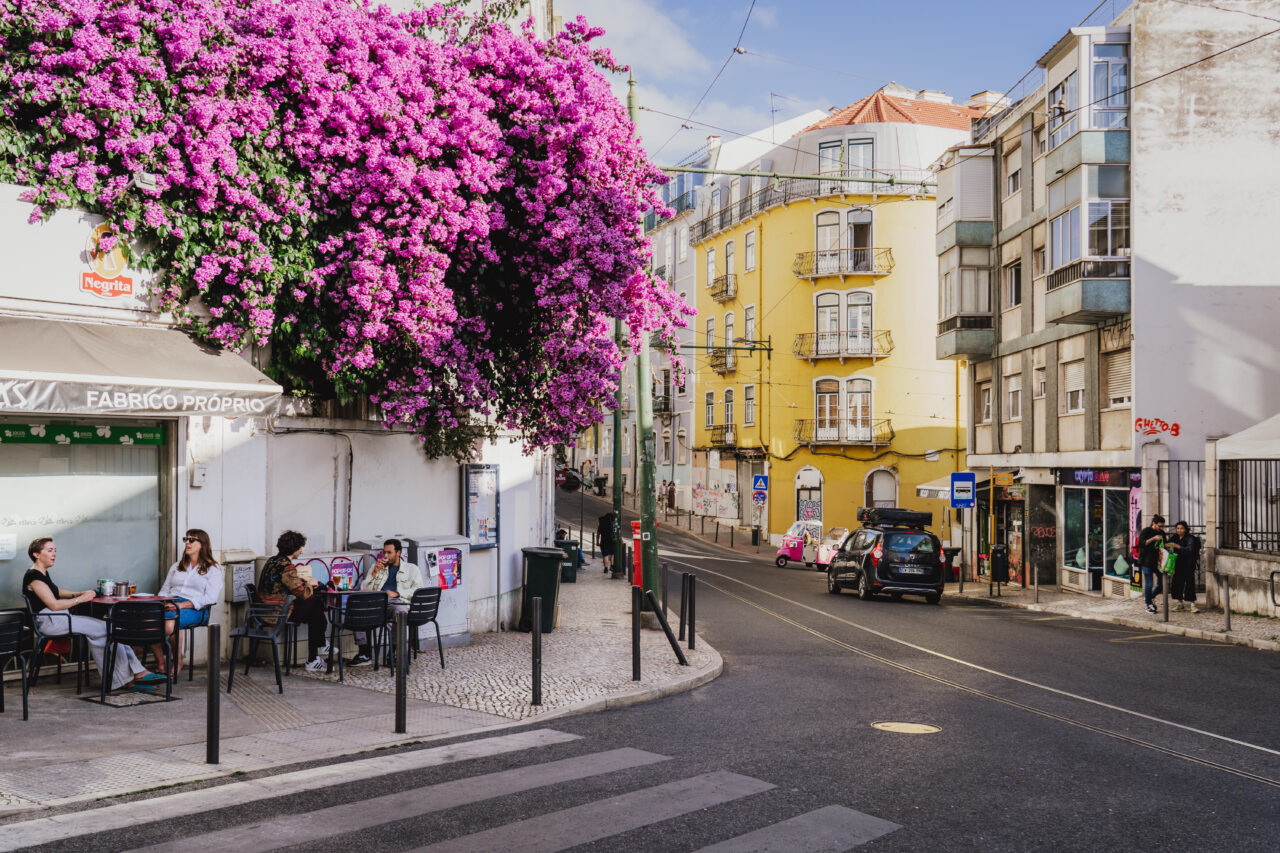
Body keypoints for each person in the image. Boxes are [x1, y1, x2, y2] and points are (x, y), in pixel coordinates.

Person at [22, 537, 163, 692]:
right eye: (50, 551)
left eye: (55, 550)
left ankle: (127, 677)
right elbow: (54, 604)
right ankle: (131, 675)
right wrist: (80, 599)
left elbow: (56, 591)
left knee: (108, 630)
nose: (54, 554)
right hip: (52, 621)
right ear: (36, 554)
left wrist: (77, 593)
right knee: (109, 629)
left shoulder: (42, 574)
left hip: (58, 618)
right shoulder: (34, 577)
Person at [257, 530, 332, 671]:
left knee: (315, 614)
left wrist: (300, 580)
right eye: (300, 547)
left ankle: (315, 657)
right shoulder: (287, 566)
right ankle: (319, 648)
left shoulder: (272, 561)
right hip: (277, 613)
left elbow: (284, 583)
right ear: (295, 548)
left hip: (265, 609)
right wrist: (311, 583)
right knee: (315, 602)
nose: (301, 550)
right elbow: (302, 594)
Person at [156, 529, 224, 675]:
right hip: (171, 603)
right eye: (186, 539)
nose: (187, 543)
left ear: (202, 544)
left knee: (170, 623)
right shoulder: (176, 566)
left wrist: (183, 605)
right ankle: (161, 661)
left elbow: (211, 598)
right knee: (147, 619)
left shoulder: (213, 569)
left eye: (192, 540)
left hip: (196, 608)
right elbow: (164, 590)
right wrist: (162, 601)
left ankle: (177, 660)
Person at [350, 539, 423, 666]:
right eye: (384, 552)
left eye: (389, 553)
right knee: (358, 607)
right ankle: (364, 653)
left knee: (400, 612)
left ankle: (393, 653)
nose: (385, 556)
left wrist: (398, 594)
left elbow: (418, 590)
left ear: (398, 552)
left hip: (397, 602)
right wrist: (374, 573)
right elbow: (364, 590)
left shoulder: (412, 569)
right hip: (377, 602)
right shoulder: (376, 567)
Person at [1166, 521, 1201, 613]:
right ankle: (1180, 603)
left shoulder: (1190, 538)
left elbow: (1190, 550)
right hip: (1178, 564)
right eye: (1177, 528)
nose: (1179, 530)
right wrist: (1167, 545)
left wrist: (1177, 546)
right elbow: (1168, 544)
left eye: (1181, 528)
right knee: (1177, 583)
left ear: (1185, 529)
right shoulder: (1175, 537)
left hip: (1188, 564)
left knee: (1190, 584)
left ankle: (1193, 604)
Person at [1137, 514, 1167, 614]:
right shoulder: (1146, 531)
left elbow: (1164, 546)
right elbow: (1141, 544)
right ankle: (1148, 604)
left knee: (1162, 583)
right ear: (1154, 523)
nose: (1161, 528)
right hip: (1146, 561)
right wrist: (1153, 539)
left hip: (1157, 563)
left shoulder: (1162, 533)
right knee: (1149, 583)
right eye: (1159, 526)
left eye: (1163, 526)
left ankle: (1150, 597)